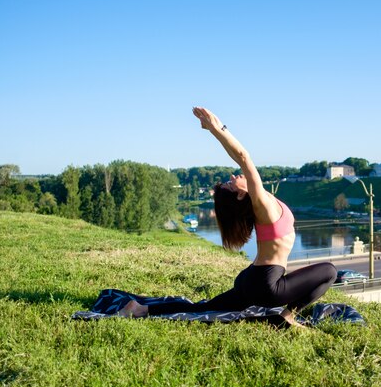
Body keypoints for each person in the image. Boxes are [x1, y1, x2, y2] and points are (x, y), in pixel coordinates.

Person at [118, 107, 337, 326]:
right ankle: (287, 316)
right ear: (241, 195)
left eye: (230, 180)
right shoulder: (260, 203)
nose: (233, 176)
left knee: (201, 309)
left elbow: (239, 158)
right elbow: (243, 157)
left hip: (252, 278)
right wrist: (217, 129)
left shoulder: (260, 200)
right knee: (329, 271)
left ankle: (140, 308)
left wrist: (215, 130)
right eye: (231, 183)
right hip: (267, 284)